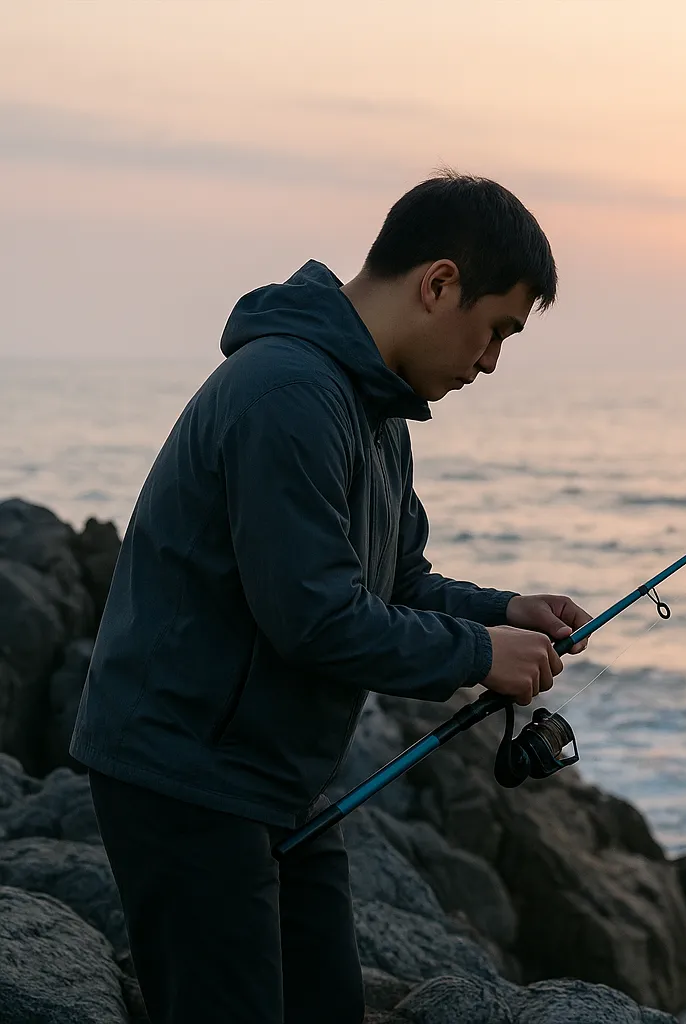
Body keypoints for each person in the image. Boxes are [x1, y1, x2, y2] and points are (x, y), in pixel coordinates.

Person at [69, 171, 592, 1024]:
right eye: (495, 330)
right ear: (439, 283)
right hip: (188, 776)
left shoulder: (376, 410)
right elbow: (312, 617)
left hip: (275, 780)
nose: (491, 361)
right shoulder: (288, 393)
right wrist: (478, 659)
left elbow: (399, 584)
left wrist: (502, 614)